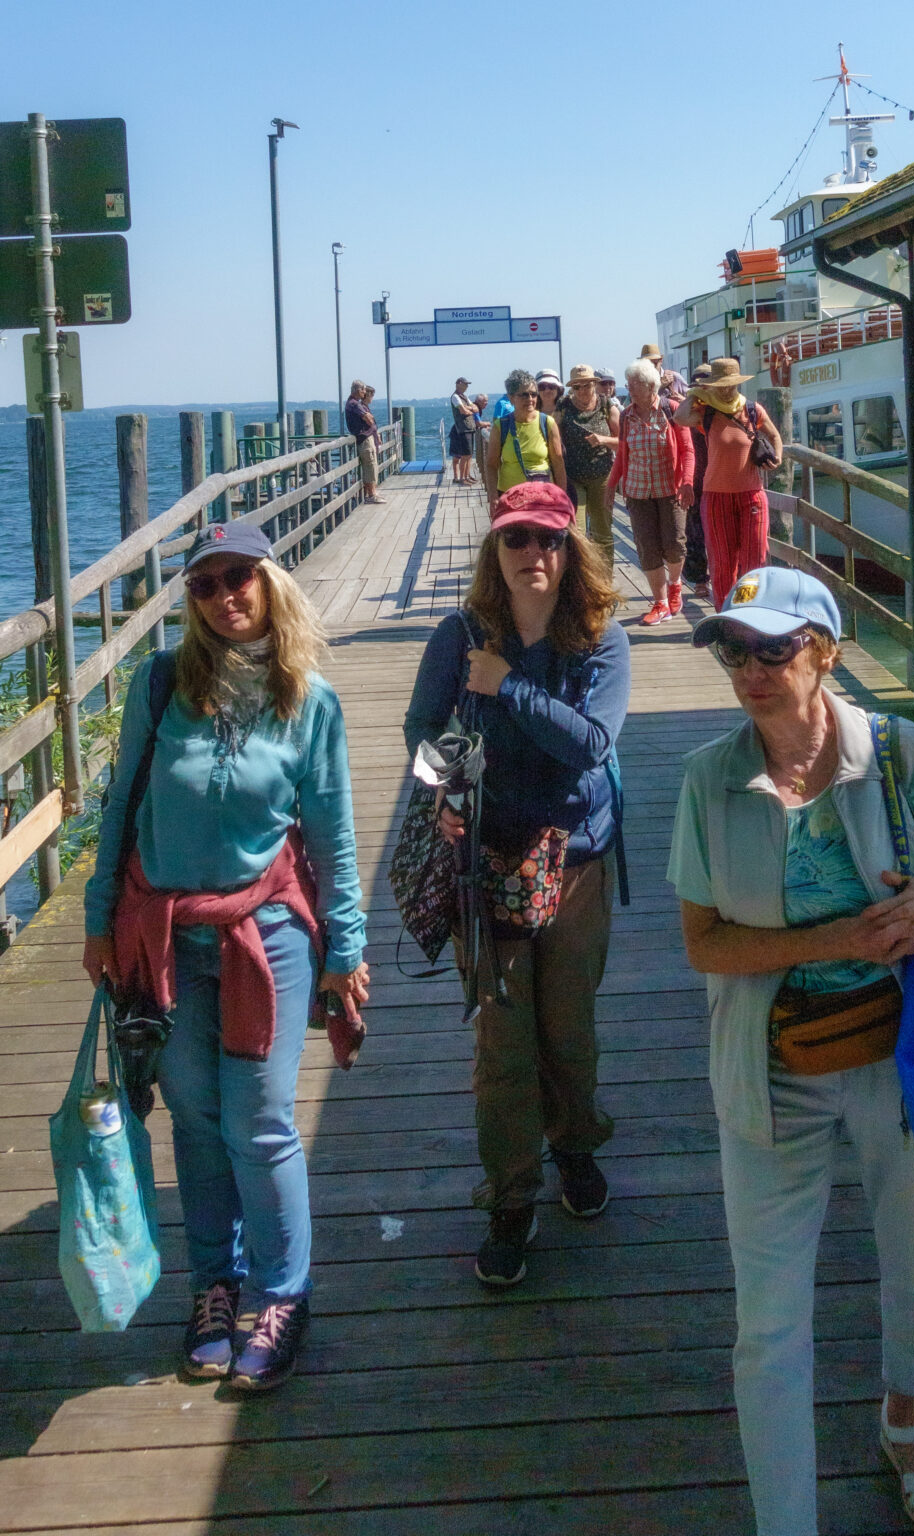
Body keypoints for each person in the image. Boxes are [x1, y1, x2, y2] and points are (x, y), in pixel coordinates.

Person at [668, 566, 914, 1536]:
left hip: (902, 1058)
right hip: (770, 1066)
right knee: (768, 1323)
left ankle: (907, 1420)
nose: (749, 670)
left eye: (771, 649)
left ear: (824, 652)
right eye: (733, 651)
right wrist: (837, 939)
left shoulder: (897, 750)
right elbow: (704, 944)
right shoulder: (707, 780)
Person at [82, 524, 369, 1391]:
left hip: (266, 935)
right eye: (203, 586)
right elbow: (121, 805)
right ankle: (216, 1284)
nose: (223, 597)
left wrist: (345, 948)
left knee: (260, 1120)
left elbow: (333, 835)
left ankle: (282, 1296)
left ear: (270, 581)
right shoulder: (161, 681)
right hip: (164, 934)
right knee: (196, 1117)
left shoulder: (309, 699)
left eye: (238, 576)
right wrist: (98, 920)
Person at [403, 482, 630, 1287]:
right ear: (494, 551)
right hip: (489, 862)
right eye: (517, 539)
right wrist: (445, 789)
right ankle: (510, 1194)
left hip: (577, 863)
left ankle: (575, 1147)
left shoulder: (601, 640)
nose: (534, 553)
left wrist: (508, 686)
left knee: (568, 1027)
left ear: (572, 552)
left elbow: (592, 744)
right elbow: (421, 728)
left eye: (549, 540)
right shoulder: (459, 634)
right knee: (503, 1044)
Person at [674, 356, 783, 610]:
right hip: (716, 498)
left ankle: (749, 610)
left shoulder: (752, 409)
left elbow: (775, 436)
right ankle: (726, 615)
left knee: (755, 560)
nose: (725, 390)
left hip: (751, 496)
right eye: (720, 385)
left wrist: (777, 457)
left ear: (737, 383)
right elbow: (680, 417)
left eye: (729, 384)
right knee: (723, 564)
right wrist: (697, 393)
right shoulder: (707, 412)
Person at [605, 357, 694, 627]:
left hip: (670, 489)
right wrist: (611, 486)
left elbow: (688, 450)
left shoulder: (672, 410)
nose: (629, 388)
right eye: (628, 383)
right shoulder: (626, 416)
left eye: (635, 383)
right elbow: (623, 454)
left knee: (675, 544)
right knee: (647, 548)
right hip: (637, 491)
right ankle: (661, 603)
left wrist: (687, 481)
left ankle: (675, 584)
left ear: (650, 385)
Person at [556, 364, 620, 571]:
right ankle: (582, 578)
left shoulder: (606, 405)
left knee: (603, 531)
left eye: (587, 385)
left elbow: (624, 442)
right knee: (577, 531)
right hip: (573, 477)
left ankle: (605, 579)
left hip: (601, 475)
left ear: (595, 384)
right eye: (577, 386)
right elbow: (553, 442)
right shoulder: (563, 407)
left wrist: (603, 440)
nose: (583, 390)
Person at [485, 368, 567, 510]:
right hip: (511, 499)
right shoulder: (501, 426)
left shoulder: (547, 423)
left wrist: (562, 497)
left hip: (542, 499)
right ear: (511, 397)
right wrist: (493, 497)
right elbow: (491, 465)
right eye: (524, 395)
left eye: (533, 394)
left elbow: (558, 463)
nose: (530, 399)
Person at [683, 362, 713, 601]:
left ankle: (725, 578)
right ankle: (700, 579)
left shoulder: (722, 409)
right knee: (695, 534)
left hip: (720, 478)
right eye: (697, 385)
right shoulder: (689, 411)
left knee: (718, 533)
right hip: (695, 479)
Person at [344, 380, 385, 504]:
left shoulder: (353, 403)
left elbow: (369, 418)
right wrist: (369, 418)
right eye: (363, 390)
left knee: (371, 466)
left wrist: (369, 418)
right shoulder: (354, 404)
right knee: (369, 466)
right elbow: (369, 419)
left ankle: (372, 493)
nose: (365, 393)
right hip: (364, 439)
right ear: (358, 390)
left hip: (364, 438)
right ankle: (371, 495)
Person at [449, 376, 478, 486]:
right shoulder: (455, 397)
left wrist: (469, 408)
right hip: (463, 429)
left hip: (470, 427)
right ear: (459, 383)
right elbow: (463, 411)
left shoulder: (464, 397)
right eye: (465, 384)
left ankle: (466, 476)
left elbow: (475, 408)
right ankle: (462, 478)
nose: (466, 387)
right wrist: (469, 409)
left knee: (469, 454)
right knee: (465, 455)